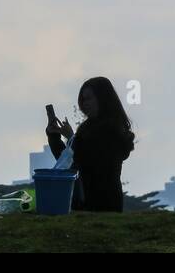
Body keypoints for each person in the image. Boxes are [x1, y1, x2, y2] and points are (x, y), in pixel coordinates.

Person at [46, 77, 136, 212]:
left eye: (89, 98)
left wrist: (72, 137)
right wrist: (54, 136)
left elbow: (93, 159)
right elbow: (68, 161)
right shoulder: (86, 128)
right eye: (83, 99)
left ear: (103, 99)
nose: (84, 103)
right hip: (82, 200)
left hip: (105, 202)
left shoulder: (114, 129)